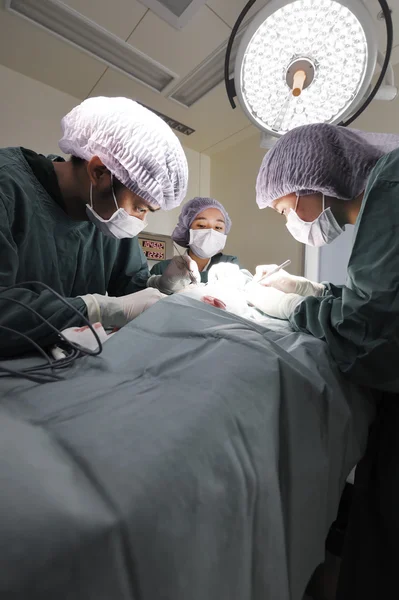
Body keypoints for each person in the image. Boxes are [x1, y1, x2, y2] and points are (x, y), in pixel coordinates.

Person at [246, 123, 399, 600]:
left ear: (313, 184)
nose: (289, 222)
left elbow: (366, 332)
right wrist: (307, 289)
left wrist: (292, 308)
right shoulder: (383, 198)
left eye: (285, 209)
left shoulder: (391, 186)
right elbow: (376, 299)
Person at [0, 96, 188, 357]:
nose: (140, 221)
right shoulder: (7, 188)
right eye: (140, 207)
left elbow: (130, 290)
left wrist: (161, 283)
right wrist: (95, 308)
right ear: (99, 172)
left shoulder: (105, 218)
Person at [147, 196, 239, 294]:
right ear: (187, 230)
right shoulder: (162, 268)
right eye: (201, 225)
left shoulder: (229, 264)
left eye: (218, 227)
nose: (211, 232)